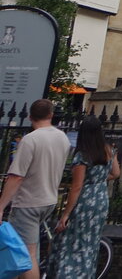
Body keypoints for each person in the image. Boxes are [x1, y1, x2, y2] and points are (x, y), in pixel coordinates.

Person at [0, 98, 72, 279]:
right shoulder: (62, 138)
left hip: (28, 202)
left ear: (30, 117)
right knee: (32, 249)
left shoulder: (30, 140)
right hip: (49, 200)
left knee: (26, 254)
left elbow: (16, 176)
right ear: (51, 115)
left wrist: (0, 207)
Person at [52, 115, 119, 279]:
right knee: (91, 243)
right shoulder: (108, 150)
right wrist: (98, 181)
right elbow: (116, 173)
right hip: (101, 199)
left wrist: (65, 214)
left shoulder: (83, 155)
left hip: (85, 201)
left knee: (73, 241)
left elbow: (76, 187)